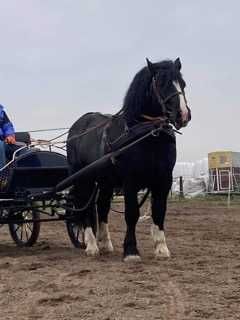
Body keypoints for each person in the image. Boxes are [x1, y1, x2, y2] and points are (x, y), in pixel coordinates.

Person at [0, 104, 16, 168]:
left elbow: (7, 126)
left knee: (22, 148)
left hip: (3, 140)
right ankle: (2, 175)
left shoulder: (1, 111)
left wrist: (10, 135)